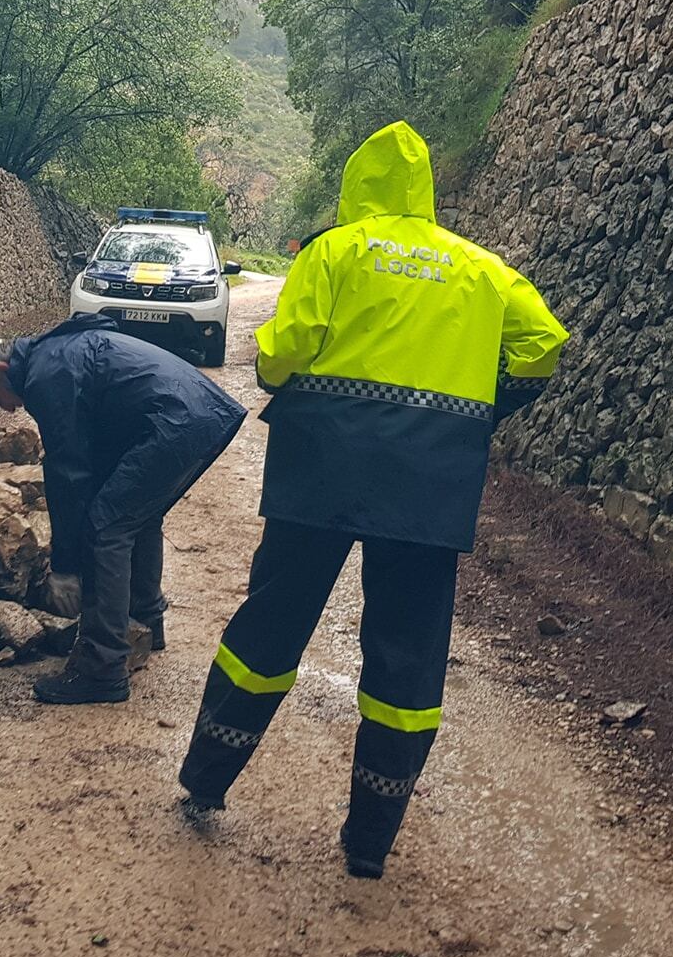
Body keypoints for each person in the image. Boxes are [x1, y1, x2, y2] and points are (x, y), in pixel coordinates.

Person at [176, 121, 568, 878]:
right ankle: (368, 845)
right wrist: (481, 406)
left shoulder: (337, 249)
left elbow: (283, 351)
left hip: (320, 467)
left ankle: (205, 780)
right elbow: (543, 344)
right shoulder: (483, 270)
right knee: (407, 657)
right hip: (430, 481)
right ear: (426, 192)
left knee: (271, 625)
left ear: (359, 184)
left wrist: (278, 375)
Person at [0, 313, 246, 704]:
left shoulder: (47, 375)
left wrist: (65, 568)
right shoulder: (57, 355)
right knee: (136, 515)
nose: (8, 409)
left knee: (106, 528)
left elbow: (68, 473)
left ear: (1, 370)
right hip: (198, 412)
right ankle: (143, 624)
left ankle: (102, 670)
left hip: (176, 420)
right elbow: (92, 452)